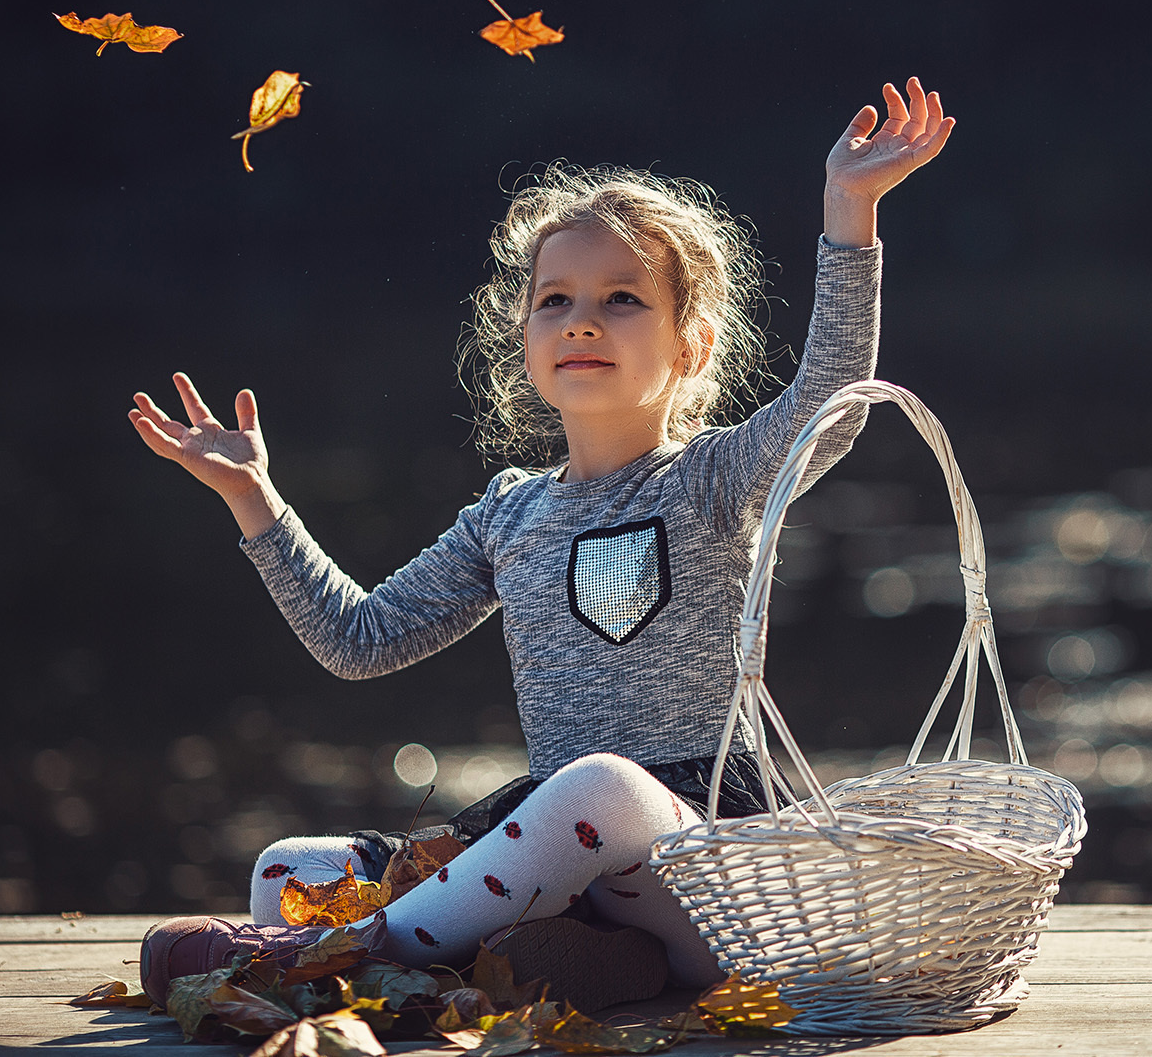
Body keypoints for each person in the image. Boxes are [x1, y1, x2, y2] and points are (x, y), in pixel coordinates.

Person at [128, 78, 954, 1009]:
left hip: (708, 869)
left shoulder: (713, 482)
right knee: (291, 866)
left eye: (623, 299)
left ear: (691, 343)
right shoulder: (508, 514)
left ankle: (346, 956)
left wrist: (852, 208)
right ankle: (565, 964)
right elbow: (358, 641)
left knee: (599, 784)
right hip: (575, 871)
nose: (583, 319)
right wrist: (255, 496)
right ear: (523, 336)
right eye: (554, 299)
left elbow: (829, 405)